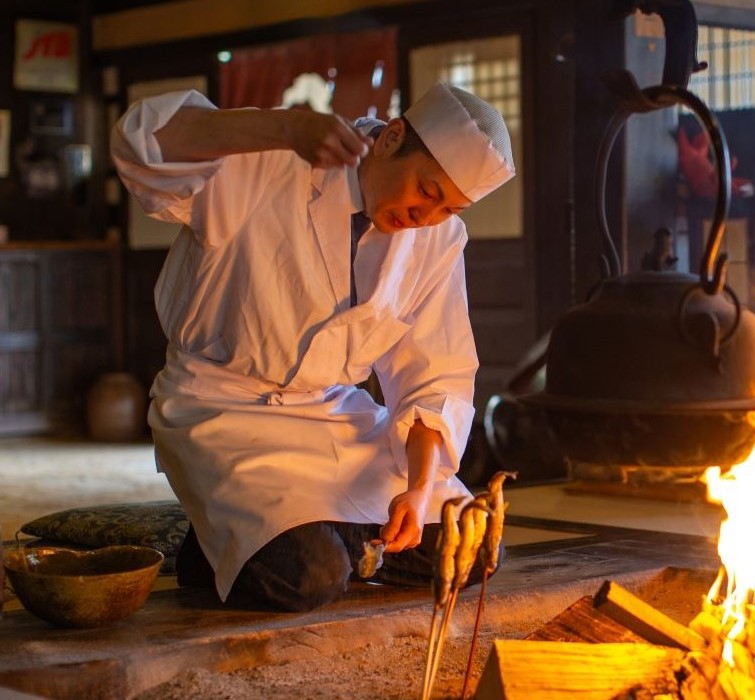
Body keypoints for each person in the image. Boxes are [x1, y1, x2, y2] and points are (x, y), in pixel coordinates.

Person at [111, 82, 515, 611]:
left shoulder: (435, 240)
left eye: (447, 209)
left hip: (329, 410)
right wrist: (280, 127)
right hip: (222, 409)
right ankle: (231, 550)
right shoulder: (272, 163)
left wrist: (419, 490)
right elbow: (142, 143)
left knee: (473, 547)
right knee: (312, 576)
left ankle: (272, 539)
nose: (425, 217)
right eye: (426, 190)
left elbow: (433, 377)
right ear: (391, 139)